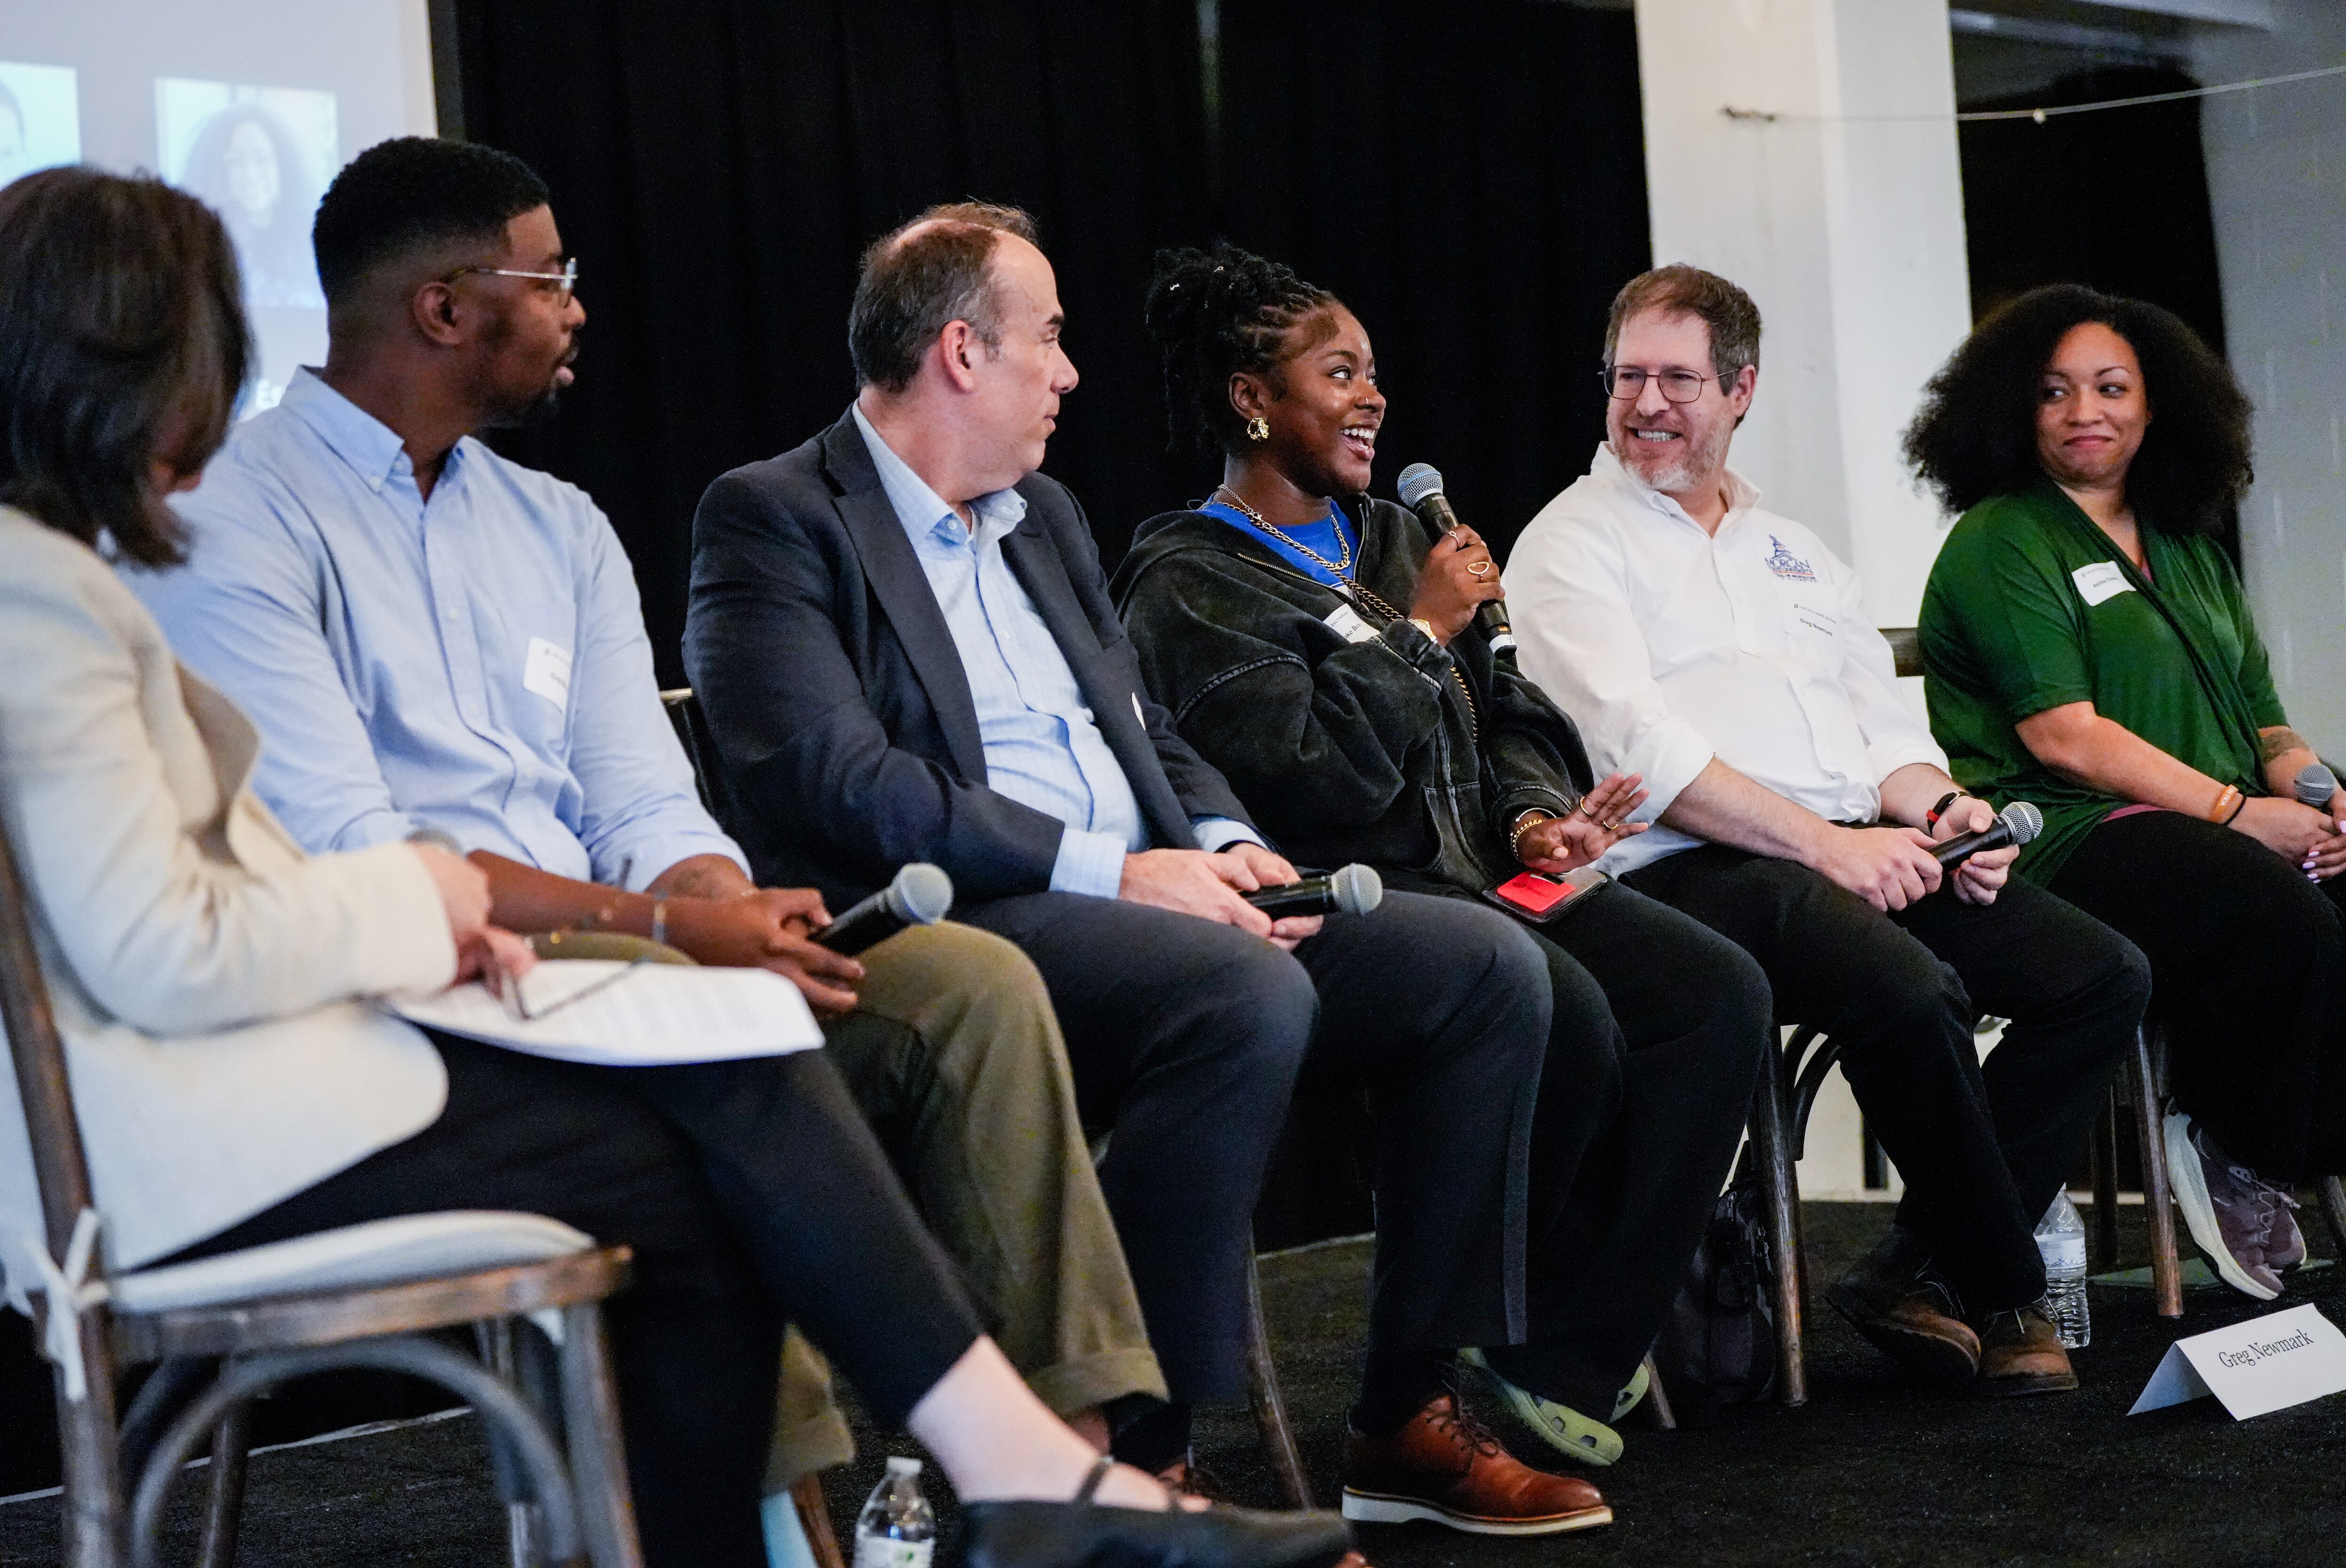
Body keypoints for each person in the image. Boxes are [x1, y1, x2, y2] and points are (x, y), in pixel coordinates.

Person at [0, 165, 1352, 1568]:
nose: (582, 310)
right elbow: (268, 883)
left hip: (511, 962)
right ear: (444, 305)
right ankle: (859, 1518)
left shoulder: (552, 525)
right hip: (344, 1034)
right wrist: (511, 904)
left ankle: (1071, 1461)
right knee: (718, 1078)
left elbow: (645, 796)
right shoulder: (170, 548)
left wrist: (715, 904)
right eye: (554, 278)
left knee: (955, 991)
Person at [687, 202, 1612, 1536]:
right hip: (961, 919)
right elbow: (834, 781)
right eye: (1048, 340)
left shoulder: (1047, 514)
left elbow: (1143, 729)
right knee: (1237, 997)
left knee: (1480, 969)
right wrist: (1119, 873)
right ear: (960, 351)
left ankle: (1404, 1414)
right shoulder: (777, 517)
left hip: (1155, 893)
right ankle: (1147, 1464)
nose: (1069, 373)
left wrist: (1229, 844)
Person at [1114, 244, 1769, 1465]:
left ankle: (1558, 1349)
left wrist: (1534, 818)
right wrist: (1421, 628)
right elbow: (1316, 777)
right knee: (1562, 1004)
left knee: (1712, 993)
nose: (1372, 396)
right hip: (1351, 901)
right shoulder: (1190, 577)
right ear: (1253, 397)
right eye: (1339, 370)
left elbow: (1509, 712)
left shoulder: (1386, 536)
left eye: (1375, 371)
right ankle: (1444, 1367)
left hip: (1488, 871)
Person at [1503, 264, 2151, 1397]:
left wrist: (1940, 808)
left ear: (1742, 388)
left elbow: (1877, 722)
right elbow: (1640, 753)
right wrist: (1827, 844)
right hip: (1693, 870)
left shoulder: (1791, 548)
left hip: (1856, 844)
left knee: (2098, 975)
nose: (1647, 404)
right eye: (1628, 378)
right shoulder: (1569, 541)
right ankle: (2002, 1287)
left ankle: (1917, 1271)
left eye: (1678, 380)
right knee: (1907, 986)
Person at [1908, 283, 2346, 1300]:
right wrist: (2243, 815)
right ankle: (2231, 1138)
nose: (2084, 412)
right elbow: (2064, 735)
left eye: (2111, 388)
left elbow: (2264, 721)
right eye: (2055, 392)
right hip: (2067, 834)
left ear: (2158, 407)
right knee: (2267, 904)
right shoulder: (2001, 538)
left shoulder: (2187, 544)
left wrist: (2322, 797)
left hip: (2208, 819)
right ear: (2017, 409)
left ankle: (2303, 1148)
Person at [176, 102, 324, 309]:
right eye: (235, 162)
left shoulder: (310, 238)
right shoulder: (205, 244)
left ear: (282, 165)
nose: (251, 175)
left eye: (261, 159)